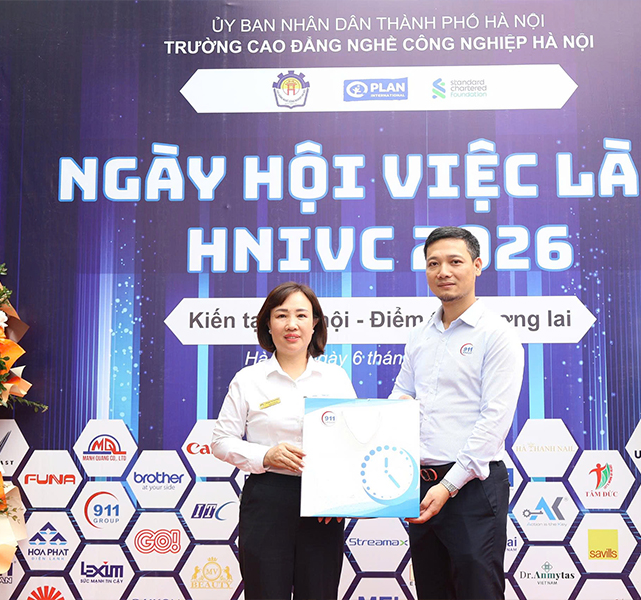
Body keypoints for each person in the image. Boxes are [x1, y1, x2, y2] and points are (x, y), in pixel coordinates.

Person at [390, 226, 525, 600]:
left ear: (477, 266)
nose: (443, 272)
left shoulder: (497, 335)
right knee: (432, 590)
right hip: (421, 485)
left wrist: (448, 486)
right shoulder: (420, 334)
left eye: (455, 261)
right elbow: (402, 393)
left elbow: (494, 421)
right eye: (433, 263)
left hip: (471, 487)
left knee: (477, 591)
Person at [211, 281, 356, 600]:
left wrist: (341, 496)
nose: (292, 324)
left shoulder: (336, 378)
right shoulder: (248, 380)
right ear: (268, 324)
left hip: (323, 504)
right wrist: (266, 455)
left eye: (301, 315)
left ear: (314, 323)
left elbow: (352, 444)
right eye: (281, 315)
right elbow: (221, 441)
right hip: (267, 499)